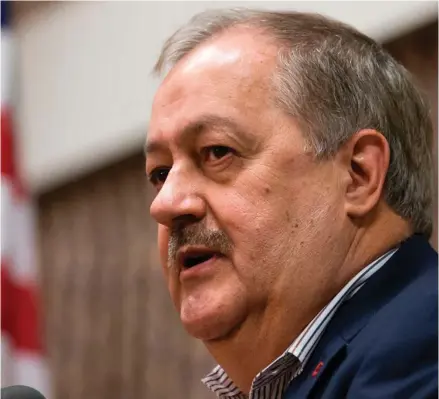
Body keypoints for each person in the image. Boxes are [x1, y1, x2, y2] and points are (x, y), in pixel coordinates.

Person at [145, 8, 438, 399]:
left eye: (217, 151)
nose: (165, 204)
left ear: (358, 174)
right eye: (160, 174)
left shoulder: (423, 348)